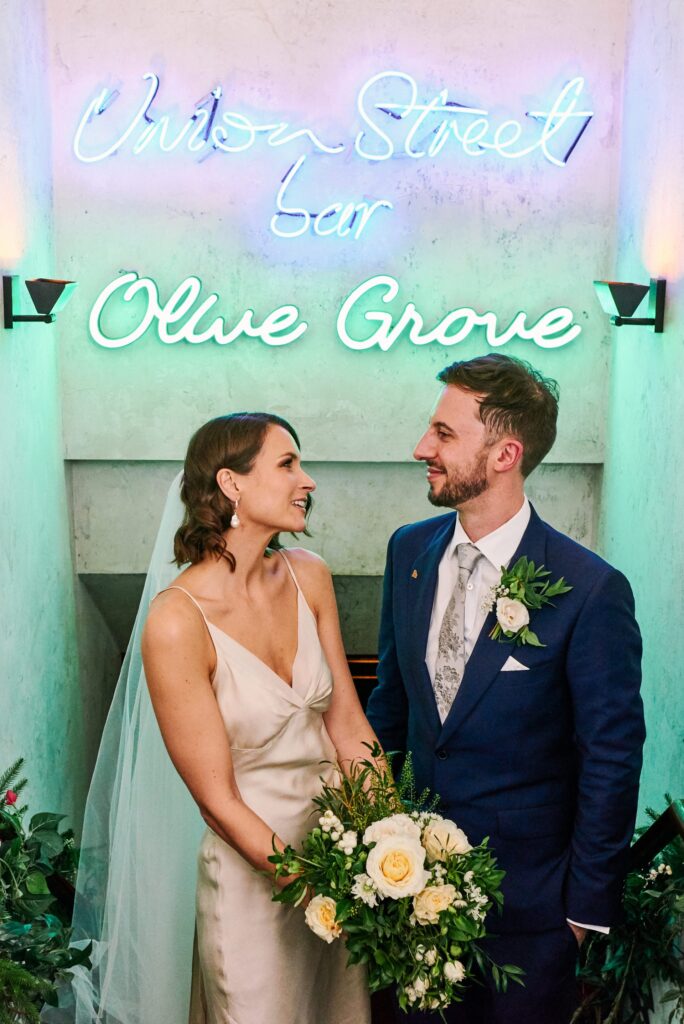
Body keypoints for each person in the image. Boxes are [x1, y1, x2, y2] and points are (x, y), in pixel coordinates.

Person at [58, 413, 373, 1024]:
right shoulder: (176, 621)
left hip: (341, 865)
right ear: (231, 483)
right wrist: (312, 889)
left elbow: (349, 727)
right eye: (288, 465)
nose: (307, 481)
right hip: (258, 886)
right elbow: (217, 801)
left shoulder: (311, 576)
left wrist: (387, 847)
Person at [366, 354, 646, 1024]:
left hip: (533, 920)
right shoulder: (407, 553)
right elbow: (390, 711)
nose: (421, 448)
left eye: (444, 433)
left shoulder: (589, 590)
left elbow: (611, 757)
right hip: (409, 902)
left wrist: (581, 915)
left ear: (504, 454)